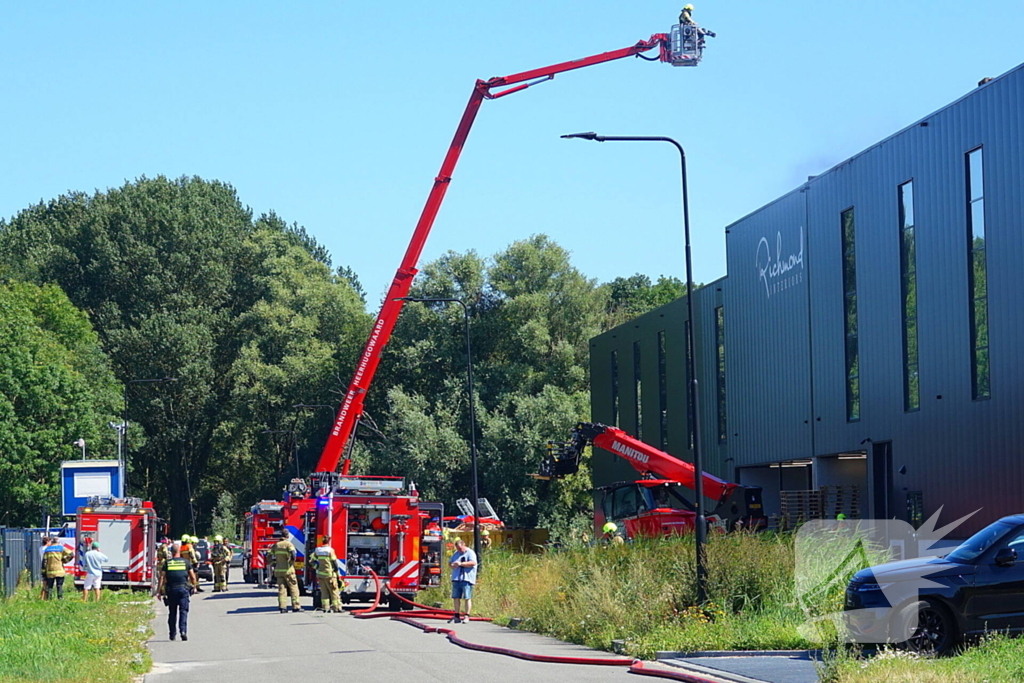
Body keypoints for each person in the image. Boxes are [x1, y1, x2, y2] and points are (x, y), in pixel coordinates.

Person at [156, 542, 197, 642]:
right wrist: (194, 587)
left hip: (171, 590)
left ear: (171, 552)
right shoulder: (186, 562)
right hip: (183, 590)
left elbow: (162, 577)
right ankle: (183, 631)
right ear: (179, 551)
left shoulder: (167, 563)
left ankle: (172, 634)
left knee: (172, 613)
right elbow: (192, 576)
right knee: (183, 612)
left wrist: (159, 591)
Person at [271, 529, 303, 613]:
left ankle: (282, 607)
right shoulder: (289, 544)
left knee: (282, 589)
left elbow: (269, 555)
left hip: (279, 570)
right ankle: (296, 606)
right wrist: (291, 562)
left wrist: (274, 563)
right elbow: (293, 554)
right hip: (288, 570)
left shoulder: (276, 545)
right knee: (293, 588)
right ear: (287, 536)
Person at [310, 536, 343, 613]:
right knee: (334, 592)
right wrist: (336, 571)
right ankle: (337, 608)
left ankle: (325, 608)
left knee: (324, 593)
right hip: (329, 575)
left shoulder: (317, 550)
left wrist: (317, 567)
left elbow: (311, 561)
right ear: (329, 541)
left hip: (321, 575)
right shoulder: (330, 550)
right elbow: (334, 562)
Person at [448, 538, 477, 624]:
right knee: (456, 597)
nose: (459, 550)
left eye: (460, 548)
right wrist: (452, 565)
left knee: (467, 597)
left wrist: (461, 564)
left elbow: (473, 563)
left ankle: (467, 615)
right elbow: (450, 563)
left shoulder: (470, 553)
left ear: (464, 545)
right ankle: (456, 615)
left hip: (467, 579)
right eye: (457, 549)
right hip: (456, 578)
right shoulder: (456, 554)